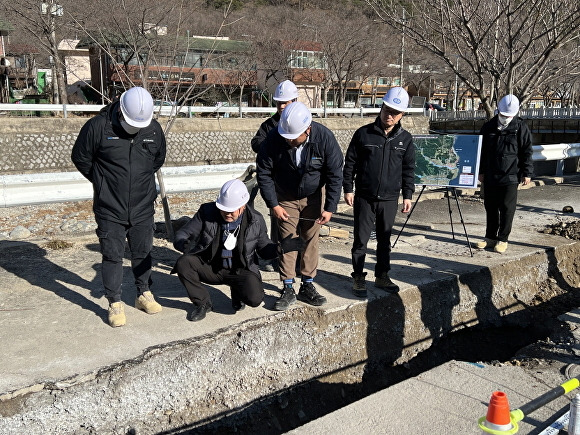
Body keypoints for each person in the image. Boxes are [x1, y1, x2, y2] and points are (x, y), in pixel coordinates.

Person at [71, 86, 166, 327]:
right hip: (109, 207)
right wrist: (104, 183)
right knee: (112, 256)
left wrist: (140, 184)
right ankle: (114, 302)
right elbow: (80, 157)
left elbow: (157, 159)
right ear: (121, 111)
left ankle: (143, 293)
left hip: (143, 205)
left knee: (143, 252)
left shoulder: (153, 129)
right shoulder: (98, 127)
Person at [171, 179, 303, 321]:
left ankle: (237, 291)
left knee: (255, 299)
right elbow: (184, 233)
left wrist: (281, 248)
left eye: (231, 210)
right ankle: (203, 303)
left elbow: (264, 250)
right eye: (223, 209)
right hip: (211, 266)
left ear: (243, 206)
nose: (227, 213)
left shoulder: (256, 220)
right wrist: (182, 243)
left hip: (240, 269)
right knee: (184, 263)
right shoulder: (207, 212)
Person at [256, 102, 344, 311]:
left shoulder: (324, 138)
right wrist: (274, 205)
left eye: (293, 137)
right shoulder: (275, 138)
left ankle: (307, 284)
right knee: (288, 239)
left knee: (310, 239)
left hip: (313, 196)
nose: (289, 140)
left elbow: (335, 174)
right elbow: (264, 174)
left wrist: (330, 207)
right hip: (284, 196)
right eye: (286, 136)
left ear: (308, 129)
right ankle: (287, 286)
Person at [342, 87, 415, 298]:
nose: (389, 115)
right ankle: (358, 276)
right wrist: (349, 188)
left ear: (402, 115)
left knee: (385, 240)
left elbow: (408, 170)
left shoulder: (405, 140)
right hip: (364, 196)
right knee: (360, 240)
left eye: (395, 112)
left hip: (390, 198)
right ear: (381, 107)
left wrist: (407, 195)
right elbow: (350, 164)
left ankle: (382, 275)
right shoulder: (363, 134)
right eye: (387, 109)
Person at [249, 80, 299, 271]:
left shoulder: (304, 121)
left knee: (299, 224)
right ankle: (277, 256)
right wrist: (271, 147)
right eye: (279, 103)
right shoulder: (270, 125)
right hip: (276, 182)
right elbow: (256, 142)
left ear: (295, 100)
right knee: (278, 221)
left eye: (285, 102)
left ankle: (297, 257)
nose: (282, 106)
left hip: (299, 182)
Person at [476, 94, 533, 253]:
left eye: (509, 115)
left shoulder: (520, 127)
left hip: (511, 174)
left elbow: (526, 151)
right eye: (503, 114)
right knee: (491, 207)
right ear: (498, 111)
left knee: (507, 208)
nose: (505, 117)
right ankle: (490, 237)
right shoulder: (488, 127)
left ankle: (503, 239)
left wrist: (526, 172)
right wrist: (480, 172)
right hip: (491, 174)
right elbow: (481, 151)